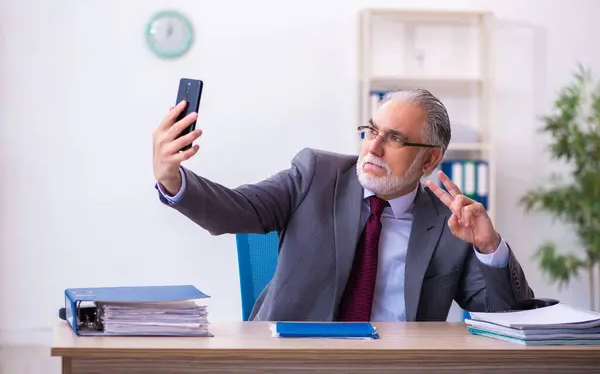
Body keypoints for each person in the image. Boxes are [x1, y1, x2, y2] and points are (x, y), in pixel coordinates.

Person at [152, 89, 534, 322]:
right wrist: (173, 178)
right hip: (293, 363)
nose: (373, 146)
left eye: (394, 139)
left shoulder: (450, 225)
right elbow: (234, 209)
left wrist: (489, 248)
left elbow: (508, 319)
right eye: (371, 131)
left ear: (430, 161)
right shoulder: (315, 174)